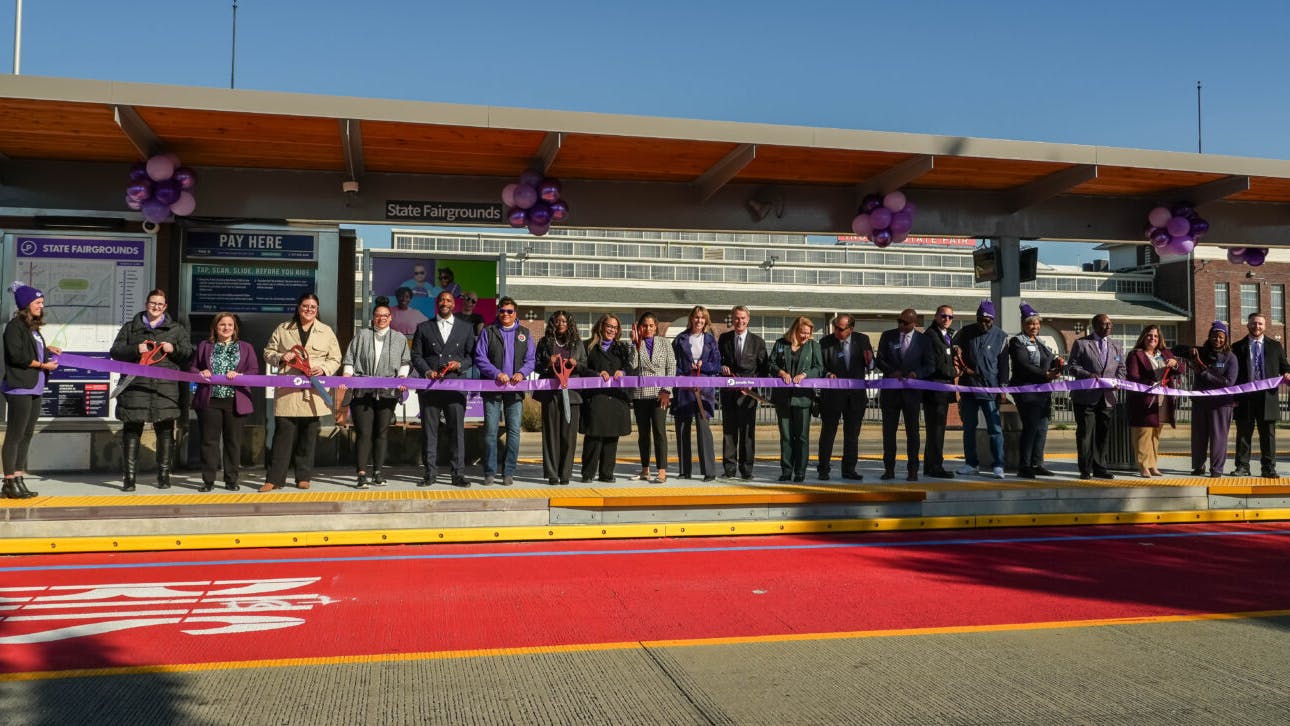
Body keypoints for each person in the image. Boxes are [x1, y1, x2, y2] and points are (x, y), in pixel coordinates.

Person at [110, 288, 192, 492]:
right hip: (135, 388)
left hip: (165, 390)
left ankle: (163, 475)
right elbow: (115, 352)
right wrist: (135, 349)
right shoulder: (130, 328)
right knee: (131, 431)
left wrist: (175, 350)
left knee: (165, 432)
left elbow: (188, 354)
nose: (156, 307)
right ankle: (129, 478)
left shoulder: (177, 329)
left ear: (165, 307)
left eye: (160, 304)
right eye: (152, 303)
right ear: (146, 304)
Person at [260, 293, 341, 492]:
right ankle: (274, 479)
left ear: (317, 309)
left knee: (308, 436)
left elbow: (336, 358)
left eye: (313, 307)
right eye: (305, 306)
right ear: (298, 307)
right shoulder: (284, 329)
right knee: (282, 437)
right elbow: (267, 352)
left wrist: (323, 369)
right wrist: (281, 356)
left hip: (313, 393)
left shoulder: (326, 331)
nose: (309, 310)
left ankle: (303, 477)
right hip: (288, 392)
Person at [338, 304, 410, 489]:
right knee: (364, 433)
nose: (382, 318)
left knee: (381, 433)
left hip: (387, 392)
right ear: (373, 317)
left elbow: (405, 361)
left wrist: (402, 377)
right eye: (378, 315)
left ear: (391, 318)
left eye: (385, 315)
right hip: (362, 391)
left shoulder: (399, 338)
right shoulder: (362, 335)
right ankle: (361, 474)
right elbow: (349, 359)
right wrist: (347, 376)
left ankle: (378, 472)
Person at [411, 290, 476, 488]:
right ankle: (430, 473)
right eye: (441, 300)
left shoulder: (466, 328)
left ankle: (457, 474)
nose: (445, 303)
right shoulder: (424, 327)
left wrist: (460, 365)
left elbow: (472, 356)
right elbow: (416, 355)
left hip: (455, 387)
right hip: (430, 388)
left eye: (448, 300)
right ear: (436, 304)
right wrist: (427, 371)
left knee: (456, 432)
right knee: (429, 433)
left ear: (454, 305)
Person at [2, 282, 59, 499]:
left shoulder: (31, 328)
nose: (41, 306)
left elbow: (31, 350)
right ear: (26, 304)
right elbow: (17, 356)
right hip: (20, 387)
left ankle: (18, 478)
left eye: (42, 303)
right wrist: (44, 365)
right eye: (37, 302)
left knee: (26, 435)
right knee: (15, 436)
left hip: (35, 386)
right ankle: (8, 482)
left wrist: (47, 350)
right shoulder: (14, 326)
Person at [190, 313, 259, 492]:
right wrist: (201, 372)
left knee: (233, 442)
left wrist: (240, 376)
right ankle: (208, 481)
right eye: (222, 325)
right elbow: (192, 367)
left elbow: (253, 371)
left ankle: (231, 480)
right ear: (215, 327)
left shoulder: (245, 347)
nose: (226, 328)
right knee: (209, 442)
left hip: (235, 400)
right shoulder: (205, 346)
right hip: (210, 400)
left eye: (230, 325)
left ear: (235, 328)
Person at [474, 296, 535, 487]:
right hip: (493, 390)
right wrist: (496, 373)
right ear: (498, 312)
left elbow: (531, 360)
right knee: (490, 432)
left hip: (515, 391)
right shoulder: (488, 332)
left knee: (514, 432)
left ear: (515, 313)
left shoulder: (524, 333)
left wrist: (521, 373)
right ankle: (490, 472)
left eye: (509, 311)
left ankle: (509, 472)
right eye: (502, 311)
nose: (506, 314)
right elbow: (480, 357)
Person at [1067, 313, 1127, 480]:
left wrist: (1118, 382)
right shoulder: (1082, 343)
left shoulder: (1116, 345)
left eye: (1110, 324)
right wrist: (1087, 375)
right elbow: (1072, 366)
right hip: (1086, 397)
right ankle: (1085, 469)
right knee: (1086, 434)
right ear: (1095, 326)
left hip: (1107, 397)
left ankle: (1100, 467)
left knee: (1103, 433)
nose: (1109, 327)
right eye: (1104, 324)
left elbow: (1122, 368)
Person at [954, 300, 1009, 479]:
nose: (984, 323)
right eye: (980, 319)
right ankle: (971, 463)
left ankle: (998, 465)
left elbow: (1003, 366)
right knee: (969, 427)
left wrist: (1003, 389)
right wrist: (955, 349)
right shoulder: (965, 332)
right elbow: (952, 345)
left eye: (987, 320)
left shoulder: (1001, 336)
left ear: (993, 319)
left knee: (995, 429)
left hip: (990, 389)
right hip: (968, 387)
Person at [1231, 313, 1290, 477]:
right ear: (1247, 325)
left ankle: (1269, 468)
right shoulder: (1236, 347)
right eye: (1253, 323)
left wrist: (1287, 374)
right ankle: (1242, 466)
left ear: (1265, 326)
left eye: (1260, 324)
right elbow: (1232, 375)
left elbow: (1285, 367)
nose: (1256, 326)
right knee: (1243, 434)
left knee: (1268, 435)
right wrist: (1233, 397)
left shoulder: (1276, 346)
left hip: (1268, 397)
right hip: (1244, 398)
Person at [535, 311, 591, 486]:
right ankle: (552, 474)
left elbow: (585, 367)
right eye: (557, 320)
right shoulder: (545, 343)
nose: (560, 323)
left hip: (572, 394)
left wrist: (577, 364)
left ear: (569, 323)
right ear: (552, 323)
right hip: (550, 394)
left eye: (564, 321)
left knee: (569, 436)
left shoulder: (577, 344)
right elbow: (536, 365)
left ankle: (565, 473)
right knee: (551, 435)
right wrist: (547, 363)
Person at [767, 316, 823, 482]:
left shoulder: (814, 346)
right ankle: (786, 470)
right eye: (802, 332)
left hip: (803, 398)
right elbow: (770, 364)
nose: (805, 336)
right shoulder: (780, 344)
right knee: (786, 436)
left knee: (801, 436)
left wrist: (805, 375)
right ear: (794, 330)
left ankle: (800, 471)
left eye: (808, 333)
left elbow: (819, 368)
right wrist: (781, 372)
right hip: (783, 398)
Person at [817, 314, 873, 481]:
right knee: (828, 433)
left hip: (855, 396)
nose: (836, 331)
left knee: (852, 435)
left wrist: (870, 361)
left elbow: (871, 365)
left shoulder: (862, 340)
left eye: (840, 329)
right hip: (832, 396)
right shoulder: (825, 342)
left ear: (851, 329)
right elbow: (819, 367)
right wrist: (827, 373)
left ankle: (849, 469)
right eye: (835, 327)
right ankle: (823, 469)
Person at [876, 309, 929, 481]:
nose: (901, 325)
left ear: (914, 323)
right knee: (889, 433)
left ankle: (912, 470)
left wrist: (917, 373)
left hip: (911, 393)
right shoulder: (888, 336)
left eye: (905, 323)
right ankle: (889, 469)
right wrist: (891, 372)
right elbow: (880, 360)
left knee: (912, 433)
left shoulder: (923, 340)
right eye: (899, 321)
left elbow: (930, 364)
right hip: (891, 392)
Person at [1008, 304, 1061, 478]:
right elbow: (1024, 364)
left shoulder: (1040, 342)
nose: (1035, 327)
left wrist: (1057, 363)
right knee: (1030, 427)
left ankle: (1037, 463)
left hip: (1043, 390)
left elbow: (1050, 359)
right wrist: (1045, 373)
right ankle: (1024, 466)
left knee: (1042, 427)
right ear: (1023, 324)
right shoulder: (1017, 342)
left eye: (1037, 324)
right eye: (1031, 324)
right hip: (1026, 390)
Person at [671, 305, 721, 481]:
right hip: (684, 389)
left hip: (704, 390)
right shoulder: (680, 339)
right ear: (691, 318)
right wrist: (686, 368)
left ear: (705, 320)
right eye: (696, 317)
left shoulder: (710, 340)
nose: (699, 320)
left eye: (702, 318)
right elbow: (672, 364)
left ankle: (709, 471)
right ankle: (685, 470)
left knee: (703, 428)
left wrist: (703, 366)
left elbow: (716, 365)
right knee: (683, 428)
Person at [581, 314, 633, 483]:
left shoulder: (622, 348)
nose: (612, 330)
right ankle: (588, 474)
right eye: (609, 326)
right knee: (593, 437)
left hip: (615, 399)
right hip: (596, 398)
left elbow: (630, 367)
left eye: (615, 327)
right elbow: (582, 368)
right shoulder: (588, 346)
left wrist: (623, 372)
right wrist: (597, 374)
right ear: (601, 326)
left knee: (611, 438)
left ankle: (606, 474)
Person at [718, 305, 767, 480]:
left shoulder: (758, 342)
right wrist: (721, 366)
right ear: (732, 319)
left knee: (747, 434)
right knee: (729, 433)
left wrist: (752, 387)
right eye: (737, 318)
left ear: (748, 319)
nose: (740, 321)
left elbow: (764, 370)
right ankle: (729, 470)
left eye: (743, 318)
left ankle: (747, 470)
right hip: (729, 394)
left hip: (748, 396)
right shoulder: (723, 339)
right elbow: (718, 361)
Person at [1125, 325, 1178, 478]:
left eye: (1155, 336)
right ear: (1143, 337)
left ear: (1159, 338)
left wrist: (1174, 363)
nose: (1152, 338)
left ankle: (1153, 465)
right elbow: (1133, 377)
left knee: (1155, 434)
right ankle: (1143, 466)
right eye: (1149, 335)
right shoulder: (1136, 355)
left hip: (1162, 400)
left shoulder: (1164, 353)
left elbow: (1179, 369)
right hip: (1144, 400)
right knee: (1143, 434)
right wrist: (1152, 382)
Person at [1187, 322, 1239, 478]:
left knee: (1218, 438)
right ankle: (1198, 466)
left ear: (1226, 339)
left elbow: (1228, 382)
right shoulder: (1202, 353)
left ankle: (1216, 469)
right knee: (1198, 437)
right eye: (1214, 335)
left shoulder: (1231, 358)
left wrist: (1204, 373)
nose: (1217, 339)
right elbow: (1179, 353)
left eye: (1221, 336)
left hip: (1221, 404)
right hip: (1200, 402)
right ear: (1209, 337)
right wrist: (1191, 354)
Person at [628, 312, 675, 484]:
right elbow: (632, 366)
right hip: (641, 394)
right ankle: (645, 469)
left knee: (659, 432)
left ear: (656, 327)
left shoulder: (664, 343)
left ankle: (662, 470)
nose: (648, 329)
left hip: (659, 394)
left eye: (651, 325)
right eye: (644, 325)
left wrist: (667, 390)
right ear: (640, 327)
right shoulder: (635, 343)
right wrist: (635, 344)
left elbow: (671, 367)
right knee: (643, 434)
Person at [920, 305, 957, 478]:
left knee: (938, 430)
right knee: (935, 430)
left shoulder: (947, 335)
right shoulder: (932, 336)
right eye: (943, 316)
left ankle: (932, 464)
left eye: (950, 317)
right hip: (934, 390)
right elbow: (936, 364)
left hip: (943, 390)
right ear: (936, 316)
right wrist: (955, 372)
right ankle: (934, 466)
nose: (947, 320)